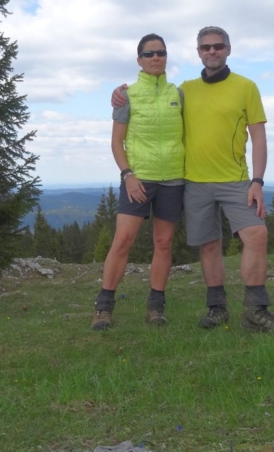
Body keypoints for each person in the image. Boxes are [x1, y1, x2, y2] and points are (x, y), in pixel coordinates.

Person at [112, 26, 274, 332]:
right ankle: (217, 308)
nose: (212, 51)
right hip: (193, 182)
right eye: (206, 47)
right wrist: (120, 94)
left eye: (218, 46)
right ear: (198, 52)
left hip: (236, 180)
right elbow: (154, 102)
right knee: (209, 246)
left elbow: (259, 138)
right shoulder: (183, 91)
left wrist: (258, 181)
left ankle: (256, 310)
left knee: (257, 235)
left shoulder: (246, 87)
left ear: (228, 49)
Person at [91, 33, 185, 331]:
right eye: (149, 54)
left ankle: (155, 308)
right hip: (138, 178)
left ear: (166, 56)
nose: (155, 57)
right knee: (123, 241)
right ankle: (103, 308)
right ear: (139, 60)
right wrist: (127, 175)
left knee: (164, 243)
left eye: (160, 52)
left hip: (173, 178)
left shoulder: (179, 94)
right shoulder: (126, 95)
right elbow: (116, 142)